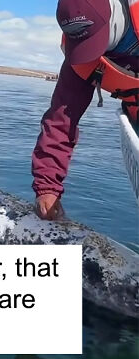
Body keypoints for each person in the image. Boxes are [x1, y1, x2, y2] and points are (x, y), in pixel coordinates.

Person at [32, 0, 138, 220]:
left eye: (93, 40)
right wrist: (47, 186)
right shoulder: (80, 53)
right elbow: (61, 118)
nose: (88, 52)